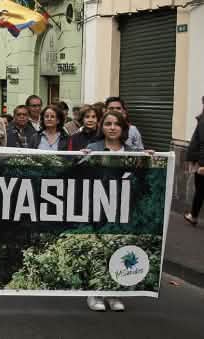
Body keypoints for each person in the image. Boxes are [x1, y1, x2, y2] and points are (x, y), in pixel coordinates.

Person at [82, 111, 154, 312]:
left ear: (123, 128)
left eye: (117, 124)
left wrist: (148, 161)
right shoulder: (92, 148)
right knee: (98, 248)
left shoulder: (132, 151)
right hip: (99, 206)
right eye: (108, 124)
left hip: (124, 208)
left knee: (119, 247)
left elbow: (143, 179)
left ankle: (114, 293)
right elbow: (79, 176)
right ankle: (94, 292)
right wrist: (83, 160)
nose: (112, 127)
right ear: (102, 127)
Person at [185, 96, 204, 226]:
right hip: (200, 159)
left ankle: (193, 215)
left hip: (202, 161)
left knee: (200, 190)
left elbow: (203, 143)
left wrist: (202, 164)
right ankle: (193, 215)